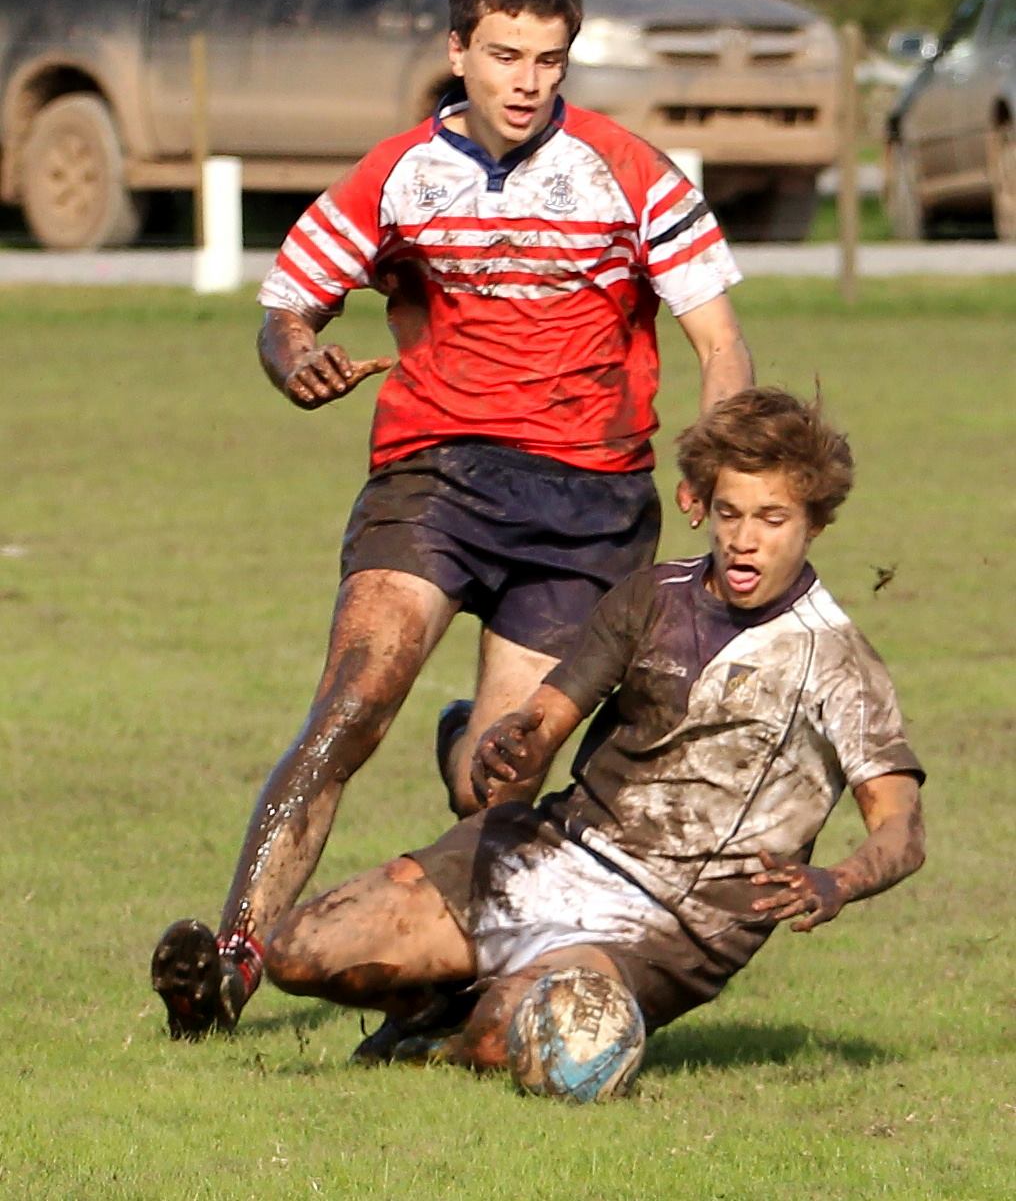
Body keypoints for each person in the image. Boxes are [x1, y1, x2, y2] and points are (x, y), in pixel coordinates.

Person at [151, 0, 752, 1040]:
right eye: (505, 55)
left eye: (548, 60)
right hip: (438, 471)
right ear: (457, 49)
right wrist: (297, 362)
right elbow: (287, 309)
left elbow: (717, 337)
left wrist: (714, 453)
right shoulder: (397, 174)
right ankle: (226, 969)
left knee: (498, 778)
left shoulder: (627, 169)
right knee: (346, 711)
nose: (526, 81)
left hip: (590, 499)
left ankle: (432, 995)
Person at [259, 387, 926, 1085]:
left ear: (814, 523)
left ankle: (445, 1037)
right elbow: (548, 717)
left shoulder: (839, 663)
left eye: (771, 518)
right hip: (556, 853)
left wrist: (838, 880)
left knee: (505, 1041)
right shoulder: (652, 598)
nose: (743, 538)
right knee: (301, 952)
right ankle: (429, 1003)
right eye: (729, 513)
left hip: (672, 926)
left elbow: (901, 829)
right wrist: (513, 744)